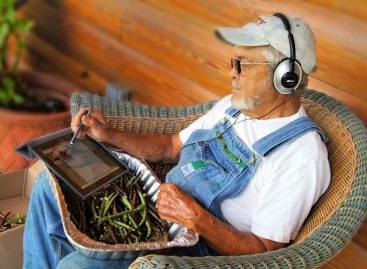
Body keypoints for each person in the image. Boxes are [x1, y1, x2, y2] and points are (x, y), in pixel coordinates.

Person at [23, 13, 330, 269]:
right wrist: (109, 135)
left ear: (284, 78)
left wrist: (198, 219)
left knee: (74, 267)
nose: (231, 74)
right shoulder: (233, 107)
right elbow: (170, 146)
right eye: (231, 63)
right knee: (48, 188)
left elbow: (266, 253)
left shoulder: (301, 156)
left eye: (242, 65)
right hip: (156, 209)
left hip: (196, 253)